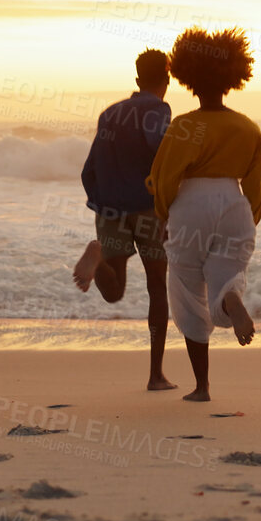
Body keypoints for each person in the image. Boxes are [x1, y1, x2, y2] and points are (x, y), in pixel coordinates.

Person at [148, 27, 261, 403]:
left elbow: (163, 177)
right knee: (227, 275)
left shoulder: (185, 125)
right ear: (233, 79)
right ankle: (231, 298)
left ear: (190, 80)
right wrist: (248, 219)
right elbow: (256, 186)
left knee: (186, 292)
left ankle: (202, 388)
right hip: (234, 203)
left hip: (192, 204)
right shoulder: (248, 127)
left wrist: (164, 214)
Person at [72, 48, 177, 391]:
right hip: (147, 208)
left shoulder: (110, 113)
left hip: (110, 208)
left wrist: (100, 203)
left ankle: (98, 256)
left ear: (136, 79)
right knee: (156, 288)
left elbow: (89, 168)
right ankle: (156, 375)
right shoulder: (158, 109)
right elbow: (162, 152)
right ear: (168, 78)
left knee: (114, 290)